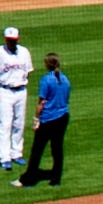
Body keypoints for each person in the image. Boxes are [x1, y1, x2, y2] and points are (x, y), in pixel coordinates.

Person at [0, 25, 35, 172]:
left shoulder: (24, 52)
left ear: (17, 39)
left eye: (13, 40)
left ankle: (16, 153)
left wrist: (21, 84)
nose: (11, 42)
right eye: (9, 40)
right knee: (5, 124)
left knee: (19, 123)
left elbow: (28, 71)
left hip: (21, 90)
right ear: (5, 39)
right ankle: (5, 157)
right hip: (5, 91)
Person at [19, 53, 71, 188]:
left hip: (48, 119)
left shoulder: (46, 80)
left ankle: (29, 180)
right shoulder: (65, 79)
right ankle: (56, 179)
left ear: (47, 64)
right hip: (62, 117)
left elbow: (41, 103)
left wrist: (36, 119)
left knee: (37, 150)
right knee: (57, 149)